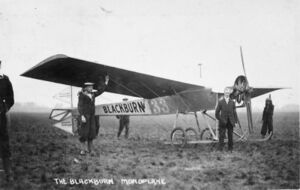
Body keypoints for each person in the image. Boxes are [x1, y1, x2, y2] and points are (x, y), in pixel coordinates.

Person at [77, 75, 109, 155]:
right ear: (86, 88)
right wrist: (82, 116)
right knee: (84, 133)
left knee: (91, 133)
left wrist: (106, 82)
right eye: (90, 87)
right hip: (85, 116)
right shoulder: (81, 95)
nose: (91, 88)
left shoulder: (93, 94)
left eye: (91, 87)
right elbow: (80, 106)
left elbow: (100, 91)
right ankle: (83, 150)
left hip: (92, 117)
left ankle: (90, 150)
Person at [0, 60, 14, 182]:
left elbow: (11, 97)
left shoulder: (5, 80)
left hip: (1, 117)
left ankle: (8, 172)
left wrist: (5, 107)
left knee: (4, 143)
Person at [215, 87, 238, 152]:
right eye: (226, 92)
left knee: (230, 135)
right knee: (221, 135)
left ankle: (230, 149)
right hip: (223, 122)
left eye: (228, 92)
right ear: (224, 93)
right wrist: (221, 120)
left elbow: (234, 112)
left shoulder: (232, 102)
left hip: (231, 121)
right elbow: (216, 113)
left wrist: (235, 121)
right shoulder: (220, 102)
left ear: (229, 93)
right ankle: (220, 149)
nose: (227, 93)